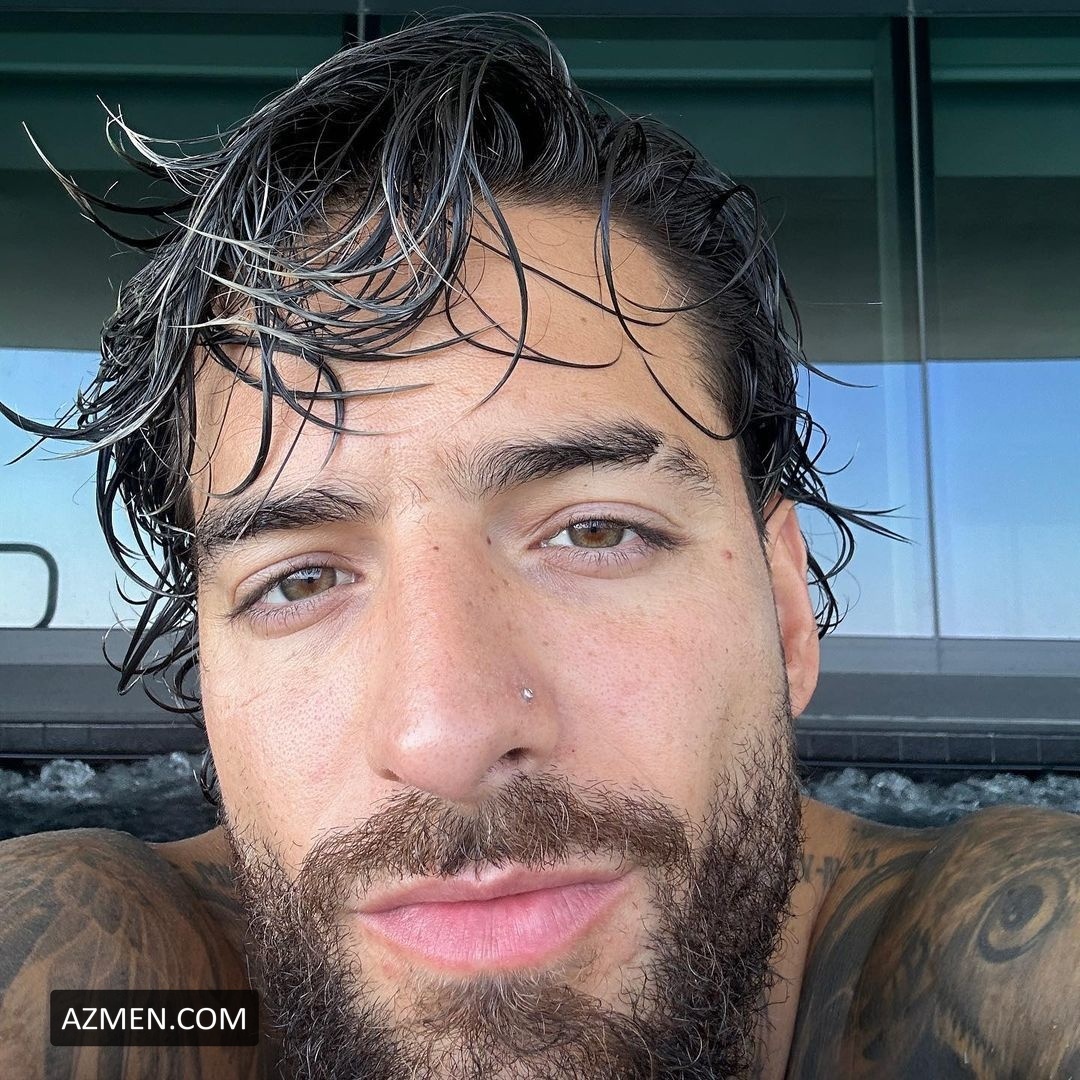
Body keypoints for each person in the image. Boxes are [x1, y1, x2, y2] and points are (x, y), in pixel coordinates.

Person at [1, 15, 1077, 1080]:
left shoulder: (992, 972)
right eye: (301, 579)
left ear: (786, 610)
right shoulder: (140, 996)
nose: (447, 734)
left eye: (594, 532)